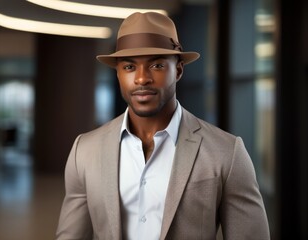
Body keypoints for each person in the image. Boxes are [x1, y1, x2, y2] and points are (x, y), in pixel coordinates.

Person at [56, 12, 270, 240]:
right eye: (129, 67)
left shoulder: (227, 152)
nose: (141, 79)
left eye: (157, 65)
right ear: (118, 73)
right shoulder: (84, 150)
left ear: (178, 70)